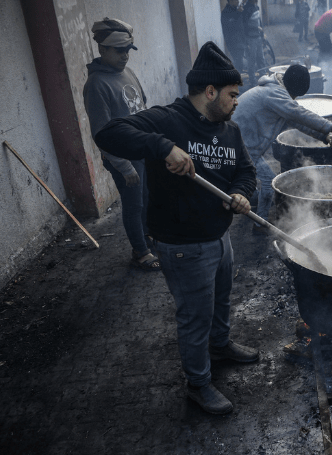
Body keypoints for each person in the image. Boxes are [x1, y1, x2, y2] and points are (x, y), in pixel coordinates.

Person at [94, 42, 259, 415]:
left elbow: (246, 171)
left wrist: (240, 193)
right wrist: (162, 146)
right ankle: (198, 385)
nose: (237, 102)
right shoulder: (167, 120)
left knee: (220, 301)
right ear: (210, 91)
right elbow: (109, 134)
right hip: (184, 245)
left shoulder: (229, 130)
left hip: (219, 236)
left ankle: (221, 345)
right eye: (232, 95)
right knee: (195, 317)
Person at [82, 18, 158, 272]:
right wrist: (124, 166)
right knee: (133, 204)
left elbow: (142, 106)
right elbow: (101, 133)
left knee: (147, 197)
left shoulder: (127, 72)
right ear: (102, 49)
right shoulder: (96, 85)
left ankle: (147, 237)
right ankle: (140, 253)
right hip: (123, 155)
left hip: (142, 149)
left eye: (127, 50)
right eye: (119, 50)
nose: (125, 56)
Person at [233, 65, 332, 225]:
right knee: (268, 181)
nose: (294, 99)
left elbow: (296, 121)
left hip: (244, 144)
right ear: (295, 89)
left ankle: (253, 203)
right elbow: (299, 114)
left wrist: (324, 136)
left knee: (252, 181)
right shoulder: (274, 94)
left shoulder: (276, 91)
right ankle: (260, 224)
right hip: (239, 145)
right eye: (295, 95)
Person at [221, 0, 246, 70]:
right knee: (238, 63)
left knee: (240, 63)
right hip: (233, 43)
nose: (238, 1)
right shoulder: (226, 12)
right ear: (231, 1)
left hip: (240, 41)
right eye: (236, 0)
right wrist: (238, 13)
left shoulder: (236, 10)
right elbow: (231, 25)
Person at [243, 0, 265, 72]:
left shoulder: (256, 7)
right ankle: (252, 78)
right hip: (250, 38)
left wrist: (262, 34)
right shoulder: (246, 9)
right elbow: (245, 25)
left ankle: (263, 75)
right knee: (252, 59)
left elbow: (259, 21)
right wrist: (257, 28)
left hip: (258, 37)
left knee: (261, 58)